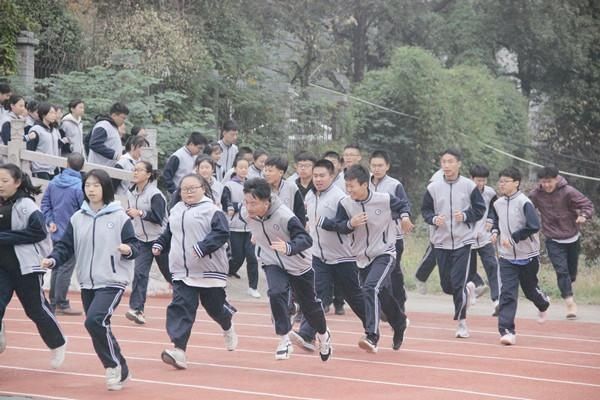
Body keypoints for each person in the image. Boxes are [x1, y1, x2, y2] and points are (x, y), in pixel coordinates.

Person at [42, 169, 139, 391]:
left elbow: (135, 246)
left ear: (105, 188)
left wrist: (127, 250)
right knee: (98, 325)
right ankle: (122, 368)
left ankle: (112, 366)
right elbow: (65, 247)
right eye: (88, 185)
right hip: (87, 281)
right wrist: (52, 260)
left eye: (96, 185)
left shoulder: (119, 217)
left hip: (112, 280)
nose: (91, 189)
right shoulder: (78, 218)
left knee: (94, 321)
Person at [319, 164, 410, 353]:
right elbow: (340, 226)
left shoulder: (383, 200)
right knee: (382, 295)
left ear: (364, 184)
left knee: (371, 288)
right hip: (361, 257)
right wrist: (350, 223)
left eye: (352, 186)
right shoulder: (345, 204)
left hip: (385, 253)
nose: (349, 190)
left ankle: (371, 336)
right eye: (347, 186)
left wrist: (405, 217)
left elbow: (402, 205)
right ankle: (399, 321)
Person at [152, 174, 238, 369]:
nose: (188, 192)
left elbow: (222, 233)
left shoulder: (212, 210)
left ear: (203, 189)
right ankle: (179, 350)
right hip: (182, 270)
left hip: (209, 270)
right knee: (181, 307)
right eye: (184, 189)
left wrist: (203, 247)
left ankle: (227, 324)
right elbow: (169, 232)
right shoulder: (176, 209)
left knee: (214, 308)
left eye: (193, 188)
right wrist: (160, 243)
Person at [241, 178, 332, 361]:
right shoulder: (246, 213)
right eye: (246, 202)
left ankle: (323, 335)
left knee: (310, 306)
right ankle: (284, 339)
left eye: (254, 203)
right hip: (272, 261)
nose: (249, 207)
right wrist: (256, 235)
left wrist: (289, 247)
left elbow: (306, 240)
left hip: (298, 264)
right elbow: (257, 227)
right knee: (276, 293)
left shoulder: (284, 216)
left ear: (266, 202)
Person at [291, 159, 367, 352]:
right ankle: (307, 335)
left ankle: (372, 325)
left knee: (354, 298)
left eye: (322, 176)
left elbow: (346, 226)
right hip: (319, 256)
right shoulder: (309, 196)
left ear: (332, 176)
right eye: (315, 176)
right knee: (315, 295)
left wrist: (327, 223)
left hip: (343, 257)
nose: (318, 179)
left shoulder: (340, 198)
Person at [0, 163, 66, 369]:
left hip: (25, 267)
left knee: (35, 309)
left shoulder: (26, 205)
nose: (0, 185)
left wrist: (4, 238)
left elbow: (39, 232)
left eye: (4, 181)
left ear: (17, 182)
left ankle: (58, 343)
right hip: (2, 268)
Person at [421, 149, 486, 338]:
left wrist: (465, 216)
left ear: (458, 164)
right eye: (444, 162)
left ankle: (462, 323)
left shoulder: (468, 186)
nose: (447, 165)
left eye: (450, 162)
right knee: (446, 286)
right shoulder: (433, 187)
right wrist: (433, 219)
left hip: (463, 242)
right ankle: (469, 288)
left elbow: (480, 209)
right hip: (441, 243)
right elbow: (425, 210)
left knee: (457, 283)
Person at [491, 167, 550, 345]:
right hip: (507, 257)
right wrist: (494, 231)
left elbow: (534, 226)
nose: (502, 184)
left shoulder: (524, 202)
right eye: (500, 181)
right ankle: (507, 331)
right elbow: (495, 220)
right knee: (508, 293)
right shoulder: (497, 204)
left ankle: (543, 303)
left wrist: (515, 237)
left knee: (530, 290)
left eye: (505, 181)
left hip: (528, 255)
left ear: (516, 183)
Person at [529, 166, 594, 320]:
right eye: (543, 182)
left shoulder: (568, 191)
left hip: (572, 236)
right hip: (552, 238)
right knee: (561, 271)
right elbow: (526, 208)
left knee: (571, 273)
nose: (546, 185)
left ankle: (568, 287)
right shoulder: (536, 194)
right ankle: (570, 303)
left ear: (556, 179)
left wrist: (584, 215)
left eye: (549, 182)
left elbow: (588, 205)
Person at [369, 150, 415, 313]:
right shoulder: (364, 183)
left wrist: (404, 218)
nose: (377, 169)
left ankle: (399, 304)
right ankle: (383, 306)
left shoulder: (394, 185)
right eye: (374, 165)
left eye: (380, 165)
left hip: (392, 237)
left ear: (387, 166)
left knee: (392, 273)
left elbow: (404, 205)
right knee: (374, 273)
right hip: (370, 238)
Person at [124, 161, 170, 324]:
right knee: (139, 273)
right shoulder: (131, 192)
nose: (135, 173)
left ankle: (185, 301)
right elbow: (132, 213)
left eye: (139, 170)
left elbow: (158, 218)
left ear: (149, 174)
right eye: (134, 170)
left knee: (170, 274)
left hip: (160, 238)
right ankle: (137, 309)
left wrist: (140, 213)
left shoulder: (155, 194)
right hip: (142, 240)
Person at [40, 153, 85, 315]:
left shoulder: (54, 182)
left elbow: (45, 203)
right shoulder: (80, 186)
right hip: (72, 232)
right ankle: (60, 302)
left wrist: (50, 221)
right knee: (66, 267)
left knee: (56, 265)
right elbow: (83, 211)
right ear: (82, 167)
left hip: (56, 230)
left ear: (66, 164)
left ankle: (53, 301)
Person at [221, 156, 260, 297]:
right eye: (241, 167)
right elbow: (225, 204)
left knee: (252, 257)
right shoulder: (229, 185)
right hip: (234, 226)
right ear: (235, 169)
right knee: (237, 257)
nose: (244, 170)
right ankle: (224, 276)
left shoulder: (253, 185)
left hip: (251, 227)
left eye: (246, 167)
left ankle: (253, 287)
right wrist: (240, 205)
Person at [468, 164, 500, 314]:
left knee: (492, 266)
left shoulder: (490, 193)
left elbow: (495, 210)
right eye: (478, 180)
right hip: (467, 238)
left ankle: (497, 301)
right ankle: (476, 288)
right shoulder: (464, 193)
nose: (480, 183)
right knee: (468, 270)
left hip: (485, 237)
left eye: (483, 180)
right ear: (471, 179)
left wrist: (492, 222)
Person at [414, 169, 444, 294]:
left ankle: (474, 283)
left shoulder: (462, 182)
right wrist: (434, 218)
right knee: (434, 254)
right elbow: (429, 202)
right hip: (438, 222)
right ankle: (420, 276)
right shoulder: (437, 178)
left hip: (455, 226)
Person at [263, 156, 306, 226]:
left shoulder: (291, 187)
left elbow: (300, 211)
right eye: (265, 170)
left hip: (288, 228)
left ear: (281, 173)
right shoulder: (261, 188)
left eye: (270, 171)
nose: (266, 174)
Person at [88, 102, 129, 167]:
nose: (124, 121)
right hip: (99, 169)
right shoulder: (104, 125)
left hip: (107, 169)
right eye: (123, 118)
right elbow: (94, 144)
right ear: (114, 115)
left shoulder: (113, 127)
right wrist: (115, 155)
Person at [28, 103, 61, 180]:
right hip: (40, 169)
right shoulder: (36, 129)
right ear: (43, 114)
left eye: (55, 113)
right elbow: (30, 149)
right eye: (51, 113)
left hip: (54, 168)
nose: (54, 115)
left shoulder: (54, 130)